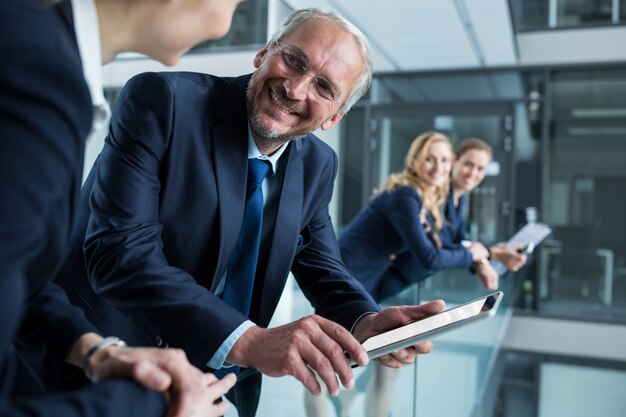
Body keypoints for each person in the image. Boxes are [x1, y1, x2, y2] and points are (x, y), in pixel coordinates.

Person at [51, 7, 446, 417]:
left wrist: (365, 320)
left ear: (336, 116)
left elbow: (322, 265)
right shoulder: (161, 102)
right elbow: (120, 255)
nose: (295, 89)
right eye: (294, 60)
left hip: (212, 382)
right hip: (93, 356)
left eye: (324, 87)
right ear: (263, 53)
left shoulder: (317, 164)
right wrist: (251, 342)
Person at [1, 0, 244, 416]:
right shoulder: (33, 76)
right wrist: (149, 407)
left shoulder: (39, 52)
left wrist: (98, 352)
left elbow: (19, 279)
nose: (228, 21)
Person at [306, 132, 493, 417]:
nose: (439, 166)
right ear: (415, 163)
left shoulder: (426, 196)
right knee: (323, 363)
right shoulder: (406, 194)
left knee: (341, 358)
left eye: (444, 159)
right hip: (348, 275)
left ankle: (349, 401)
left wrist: (477, 260)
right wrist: (473, 256)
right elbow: (429, 256)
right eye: (430, 158)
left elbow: (445, 244)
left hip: (370, 278)